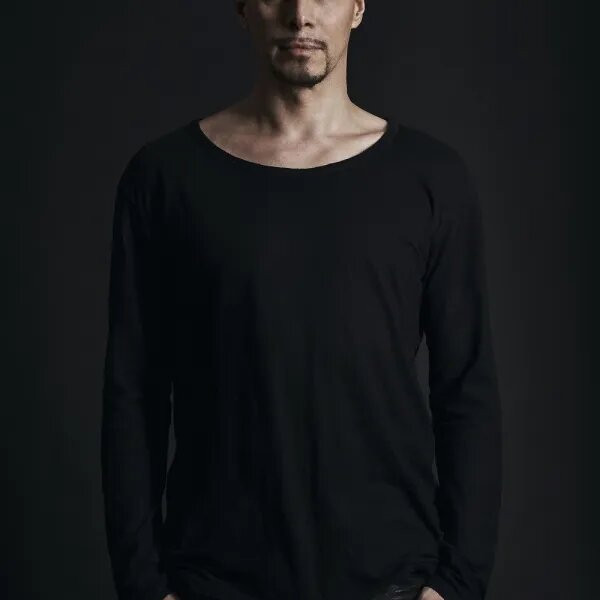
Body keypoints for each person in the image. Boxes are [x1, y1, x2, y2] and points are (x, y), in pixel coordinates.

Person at [100, 1, 503, 600]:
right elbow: (134, 393)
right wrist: (143, 586)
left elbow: (466, 389)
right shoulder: (164, 179)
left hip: (390, 578)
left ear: (358, 7)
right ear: (244, 7)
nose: (300, 14)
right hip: (214, 577)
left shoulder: (432, 179)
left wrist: (457, 584)